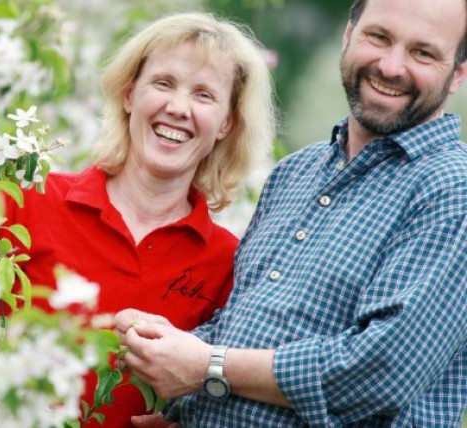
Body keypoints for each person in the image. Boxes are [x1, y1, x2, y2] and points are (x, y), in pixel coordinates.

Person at [115, 0, 467, 426]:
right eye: (379, 37)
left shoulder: (452, 189)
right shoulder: (297, 172)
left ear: (459, 74)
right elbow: (242, 326)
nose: (391, 66)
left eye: (422, 53)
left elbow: (382, 370)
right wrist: (165, 352)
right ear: (348, 35)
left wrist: (207, 365)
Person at [0, 12, 275, 428]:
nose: (178, 108)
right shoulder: (26, 200)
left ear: (226, 124)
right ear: (129, 95)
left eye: (203, 95)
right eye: (163, 83)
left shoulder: (230, 263)